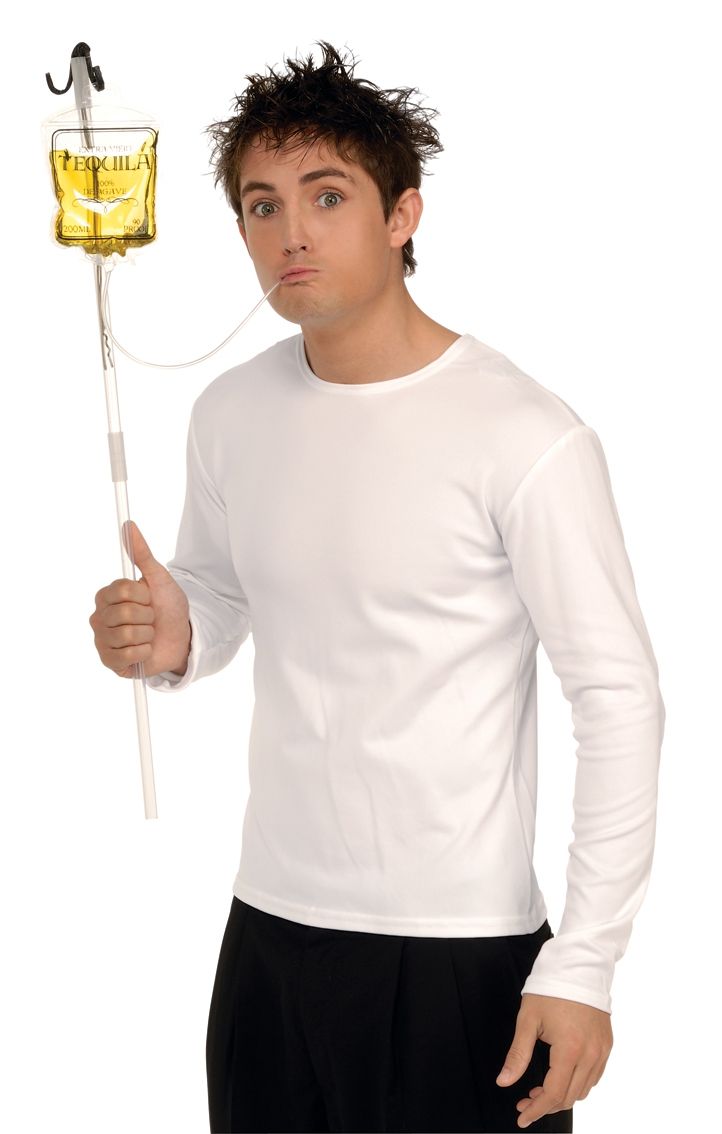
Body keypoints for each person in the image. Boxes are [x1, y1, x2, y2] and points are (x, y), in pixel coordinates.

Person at [88, 41, 666, 1134]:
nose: (290, 233)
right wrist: (178, 636)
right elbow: (221, 596)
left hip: (457, 954)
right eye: (261, 206)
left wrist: (584, 964)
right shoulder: (230, 413)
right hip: (267, 934)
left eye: (326, 196)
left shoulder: (524, 435)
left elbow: (618, 699)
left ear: (402, 215)